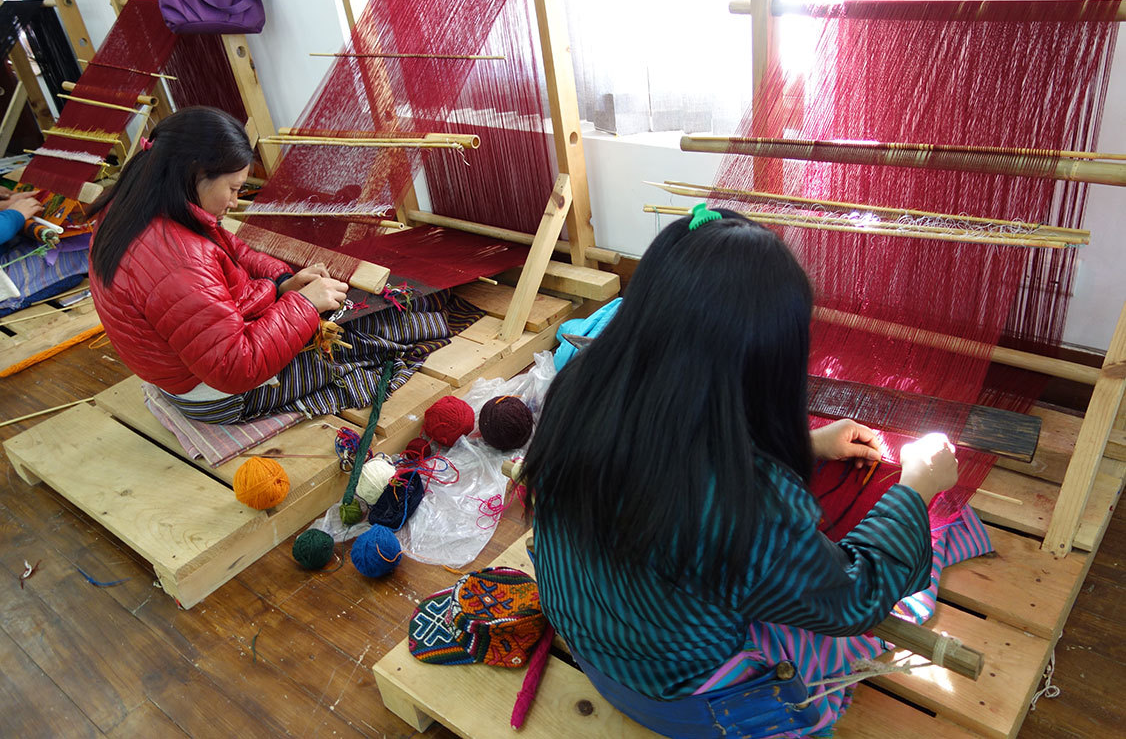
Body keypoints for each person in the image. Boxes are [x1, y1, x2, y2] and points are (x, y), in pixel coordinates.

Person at [520, 207, 962, 738]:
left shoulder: (580, 387)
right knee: (874, 607)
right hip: (687, 701)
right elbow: (853, 599)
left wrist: (807, 443)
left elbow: (660, 451)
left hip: (595, 647)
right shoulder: (746, 503)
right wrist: (916, 487)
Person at [89, 107, 457, 423]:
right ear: (195, 174)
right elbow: (236, 367)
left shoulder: (133, 207)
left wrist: (282, 281)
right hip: (219, 396)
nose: (236, 202)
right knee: (385, 332)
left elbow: (230, 248)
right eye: (234, 188)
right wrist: (305, 304)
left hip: (188, 369)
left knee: (370, 322)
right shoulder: (179, 259)